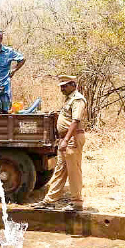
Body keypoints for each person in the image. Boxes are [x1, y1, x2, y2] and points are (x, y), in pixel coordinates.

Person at [32, 75, 87, 212]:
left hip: (72, 139)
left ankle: (77, 203)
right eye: (61, 86)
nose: (62, 89)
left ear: (73, 85)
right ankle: (49, 201)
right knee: (60, 170)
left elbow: (75, 121)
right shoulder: (69, 100)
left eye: (65, 86)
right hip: (65, 140)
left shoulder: (78, 99)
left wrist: (67, 140)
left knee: (73, 171)